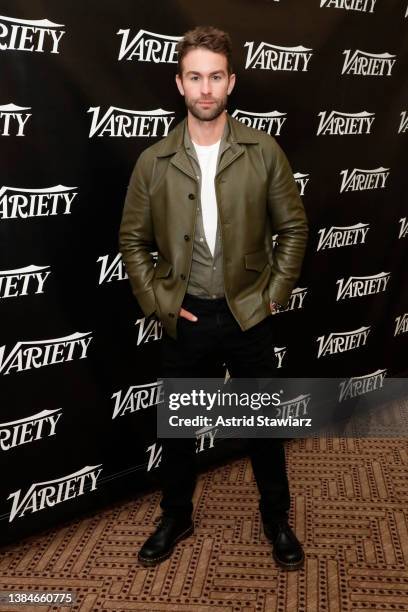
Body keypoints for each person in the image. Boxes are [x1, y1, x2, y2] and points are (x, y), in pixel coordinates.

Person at [119, 26, 308, 570]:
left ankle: (276, 516)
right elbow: (132, 240)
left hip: (248, 314)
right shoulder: (153, 162)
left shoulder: (262, 150)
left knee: (262, 429)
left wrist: (272, 295)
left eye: (216, 77)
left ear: (231, 82)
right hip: (186, 315)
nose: (206, 89)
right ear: (180, 83)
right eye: (195, 77)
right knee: (178, 428)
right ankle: (175, 515)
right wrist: (158, 302)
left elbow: (293, 227)